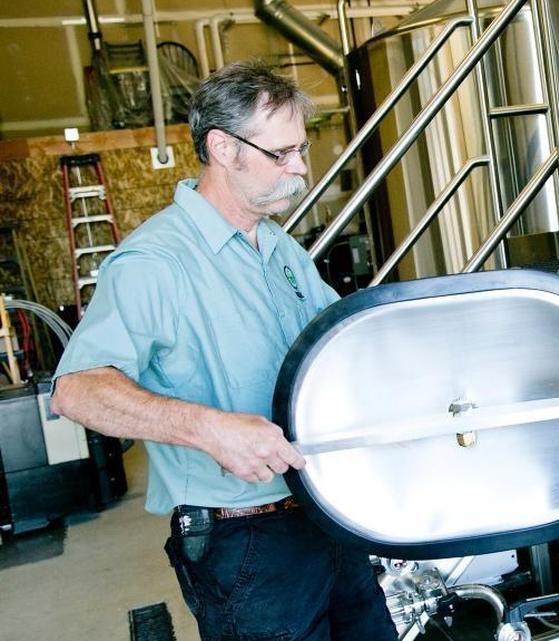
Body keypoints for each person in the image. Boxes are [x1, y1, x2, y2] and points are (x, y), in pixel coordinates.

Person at [51, 60, 399, 641]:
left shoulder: (279, 247)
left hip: (325, 517)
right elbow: (77, 389)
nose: (299, 169)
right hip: (244, 544)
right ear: (222, 147)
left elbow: (337, 341)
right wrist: (209, 429)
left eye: (300, 150)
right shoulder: (155, 263)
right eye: (280, 154)